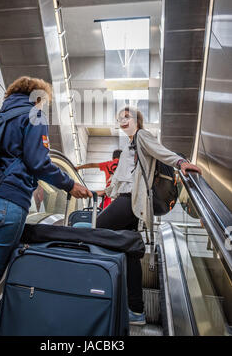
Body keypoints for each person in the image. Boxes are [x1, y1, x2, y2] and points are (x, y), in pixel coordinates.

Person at [0, 76, 92, 336]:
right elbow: (39, 162)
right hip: (6, 206)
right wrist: (70, 185)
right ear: (38, 97)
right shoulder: (34, 114)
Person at [96, 106, 202, 326]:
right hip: (128, 202)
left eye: (127, 117)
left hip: (131, 200)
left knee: (95, 229)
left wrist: (181, 163)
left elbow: (161, 151)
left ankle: (94, 291)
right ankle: (136, 310)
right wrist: (101, 192)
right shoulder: (128, 146)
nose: (122, 121)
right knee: (130, 252)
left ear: (137, 120)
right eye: (120, 118)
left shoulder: (142, 136)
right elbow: (119, 180)